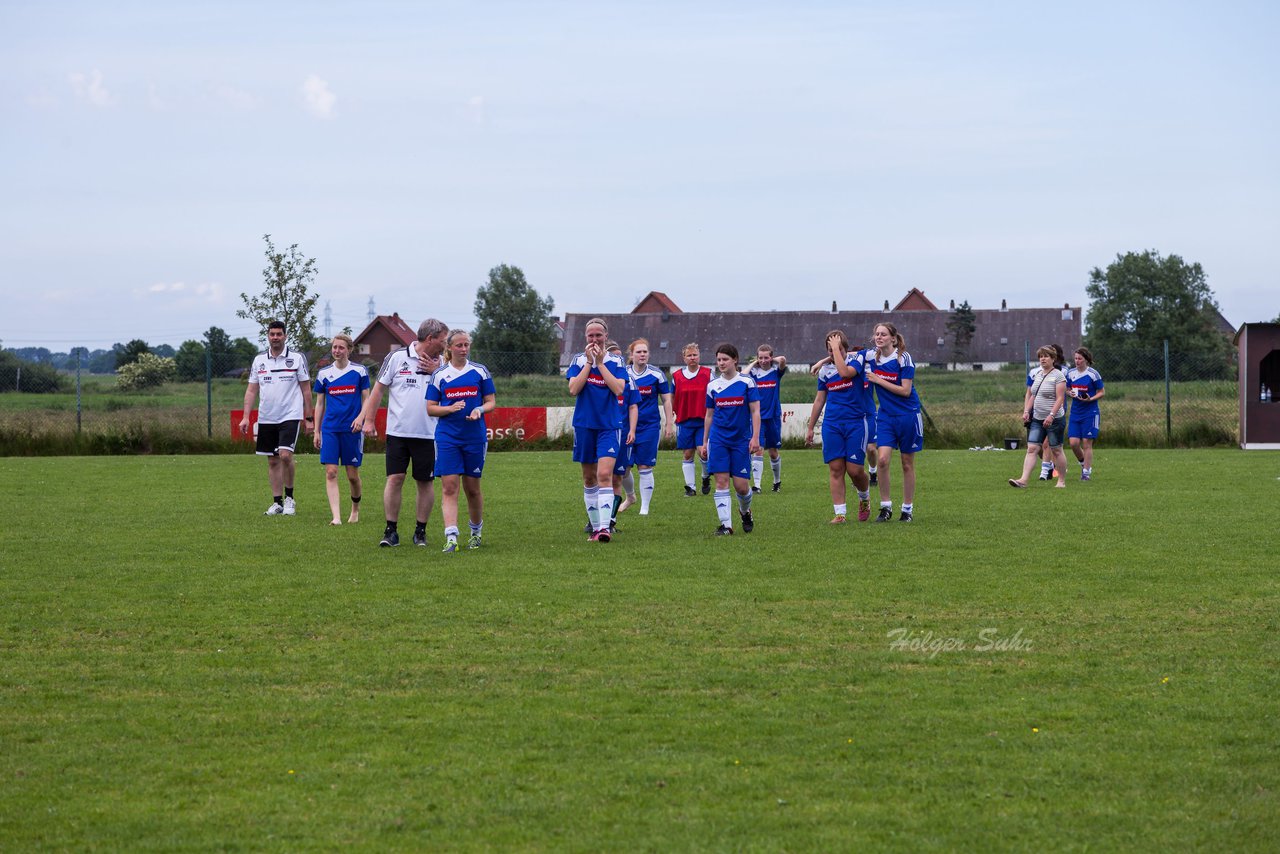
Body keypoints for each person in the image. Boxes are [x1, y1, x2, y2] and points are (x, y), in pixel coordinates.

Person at [354, 318, 448, 547]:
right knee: (395, 478)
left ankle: (420, 532)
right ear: (430, 339)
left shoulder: (444, 363)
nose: (445, 345)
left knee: (424, 482)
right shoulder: (397, 357)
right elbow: (377, 390)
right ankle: (391, 531)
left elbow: (454, 391)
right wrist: (369, 420)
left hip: (429, 434)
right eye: (443, 340)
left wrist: (438, 371)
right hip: (398, 433)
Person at [426, 329, 496, 553]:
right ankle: (451, 537)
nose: (464, 349)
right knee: (449, 487)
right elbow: (430, 408)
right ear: (449, 347)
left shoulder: (480, 371)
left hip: (474, 437)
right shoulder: (439, 375)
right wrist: (449, 409)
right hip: (447, 438)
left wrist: (478, 409)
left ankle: (475, 533)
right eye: (459, 345)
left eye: (467, 345)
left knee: (472, 488)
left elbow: (491, 402)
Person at [239, 320, 313, 516]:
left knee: (285, 455)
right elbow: (251, 390)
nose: (275, 337)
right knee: (272, 461)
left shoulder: (297, 358)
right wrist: (246, 417)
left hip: (290, 415)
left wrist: (309, 417)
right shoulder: (259, 360)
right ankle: (277, 502)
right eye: (272, 334)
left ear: (285, 336)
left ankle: (290, 499)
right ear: (268, 336)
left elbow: (306, 389)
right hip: (266, 417)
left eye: (279, 334)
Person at [567, 317, 628, 542]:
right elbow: (573, 389)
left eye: (598, 335)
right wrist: (590, 363)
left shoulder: (616, 362)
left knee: (605, 475)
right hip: (584, 425)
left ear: (605, 336)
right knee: (589, 477)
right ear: (585, 337)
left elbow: (619, 389)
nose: (595, 339)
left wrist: (601, 364)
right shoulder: (578, 360)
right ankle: (595, 527)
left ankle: (604, 528)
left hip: (609, 426)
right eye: (591, 335)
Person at [806, 330, 872, 524]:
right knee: (835, 468)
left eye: (838, 349)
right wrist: (810, 428)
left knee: (854, 471)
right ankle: (840, 514)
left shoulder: (856, 362)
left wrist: (833, 352)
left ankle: (864, 497)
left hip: (856, 423)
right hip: (832, 424)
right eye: (831, 350)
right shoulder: (826, 372)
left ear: (845, 348)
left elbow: (845, 372)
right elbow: (819, 401)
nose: (835, 353)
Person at [699, 343, 761, 535]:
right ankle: (726, 525)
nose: (721, 363)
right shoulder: (713, 386)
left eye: (725, 359)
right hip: (718, 439)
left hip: (740, 440)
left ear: (735, 360)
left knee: (741, 487)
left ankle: (745, 512)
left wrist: (755, 438)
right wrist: (704, 442)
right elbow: (709, 415)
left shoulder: (747, 382)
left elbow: (755, 411)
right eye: (718, 360)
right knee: (721, 481)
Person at [866, 322, 925, 522]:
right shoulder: (870, 356)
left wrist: (878, 380)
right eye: (876, 334)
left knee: (907, 463)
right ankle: (885, 507)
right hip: (886, 417)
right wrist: (821, 363)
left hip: (908, 415)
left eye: (883, 334)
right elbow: (844, 354)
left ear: (893, 338)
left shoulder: (903, 358)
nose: (879, 337)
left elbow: (905, 391)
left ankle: (907, 509)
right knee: (882, 460)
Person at [312, 333, 370, 525]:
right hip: (330, 429)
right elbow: (319, 404)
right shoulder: (323, 374)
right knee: (331, 472)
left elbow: (367, 399)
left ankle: (355, 509)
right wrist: (316, 430)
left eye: (341, 347)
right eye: (334, 347)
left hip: (352, 430)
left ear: (349, 350)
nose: (337, 351)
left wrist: (361, 419)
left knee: (352, 476)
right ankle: (336, 517)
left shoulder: (360, 372)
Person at [624, 337, 674, 516]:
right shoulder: (623, 373)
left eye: (645, 351)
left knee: (644, 466)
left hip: (649, 427)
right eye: (639, 351)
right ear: (632, 354)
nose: (642, 354)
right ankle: (630, 497)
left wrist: (669, 423)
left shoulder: (656, 374)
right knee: (623, 468)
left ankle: (645, 507)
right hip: (626, 426)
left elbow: (667, 399)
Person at [1009, 345, 1069, 489]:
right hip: (1037, 418)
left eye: (1046, 356)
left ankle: (1061, 481)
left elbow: (1060, 398)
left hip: (1054, 419)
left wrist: (1051, 415)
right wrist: (1026, 411)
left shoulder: (1059, 376)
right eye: (1040, 356)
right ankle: (1023, 480)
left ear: (1053, 359)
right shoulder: (1038, 375)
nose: (1042, 359)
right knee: (1032, 448)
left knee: (1056, 449)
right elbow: (1034, 395)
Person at [604, 341, 639, 533]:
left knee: (617, 477)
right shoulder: (599, 376)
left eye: (620, 357)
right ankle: (596, 520)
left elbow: (633, 406)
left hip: (622, 433)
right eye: (614, 356)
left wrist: (632, 430)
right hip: (602, 431)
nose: (618, 360)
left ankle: (610, 521)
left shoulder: (628, 380)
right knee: (599, 477)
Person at [671, 343, 713, 496]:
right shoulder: (677, 376)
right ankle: (691, 487)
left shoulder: (708, 373)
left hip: (703, 420)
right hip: (685, 420)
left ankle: (705, 476)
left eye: (695, 355)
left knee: (703, 452)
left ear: (699, 356)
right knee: (688, 453)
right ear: (684, 358)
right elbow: (672, 396)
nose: (692, 358)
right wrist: (672, 412)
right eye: (689, 355)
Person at [745, 344, 787, 493]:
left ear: (771, 357)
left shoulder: (776, 371)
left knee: (773, 451)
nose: (763, 360)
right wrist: (754, 363)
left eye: (766, 357)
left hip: (773, 416)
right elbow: (743, 374)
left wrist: (771, 359)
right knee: (758, 449)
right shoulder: (754, 373)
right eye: (760, 357)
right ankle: (757, 485)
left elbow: (782, 360)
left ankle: (777, 481)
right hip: (758, 418)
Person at [1065, 346, 1106, 481]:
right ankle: (1083, 463)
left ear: (1086, 360)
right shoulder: (1070, 373)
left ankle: (1086, 473)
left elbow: (1102, 392)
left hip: (1090, 412)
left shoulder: (1093, 374)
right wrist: (1069, 392)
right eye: (1075, 358)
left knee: (1087, 443)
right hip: (1075, 412)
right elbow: (1066, 388)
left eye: (1080, 359)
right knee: (1073, 443)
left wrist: (1090, 399)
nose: (1077, 361)